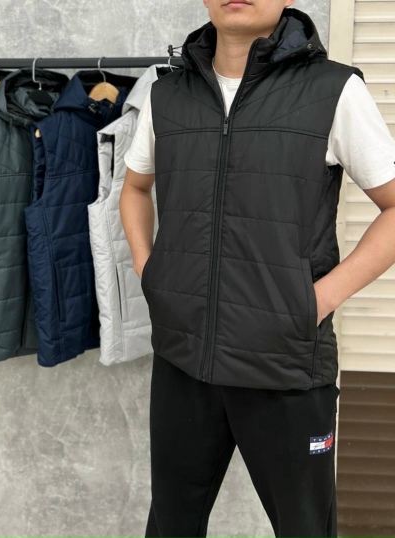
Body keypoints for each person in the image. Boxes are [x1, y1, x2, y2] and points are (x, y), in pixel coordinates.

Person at [120, 1, 395, 537]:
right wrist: (148, 268)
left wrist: (315, 300)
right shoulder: (167, 94)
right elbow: (134, 187)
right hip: (182, 359)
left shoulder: (333, 90)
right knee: (172, 525)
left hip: (285, 365)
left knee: (304, 528)